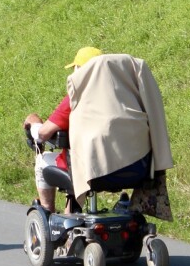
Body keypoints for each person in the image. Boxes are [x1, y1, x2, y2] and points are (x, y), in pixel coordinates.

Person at [66, 51, 173, 218]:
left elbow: (49, 129)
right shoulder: (131, 81)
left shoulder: (80, 94)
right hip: (139, 167)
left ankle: (69, 218)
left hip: (95, 172)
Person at [23, 47, 103, 213]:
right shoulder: (121, 98)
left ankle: (47, 211)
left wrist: (33, 122)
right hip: (119, 166)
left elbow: (44, 133)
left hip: (86, 167)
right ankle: (72, 210)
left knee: (43, 161)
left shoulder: (76, 98)